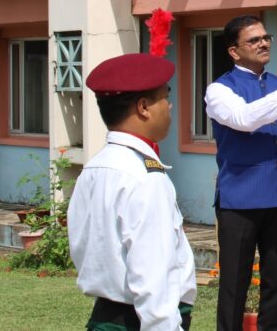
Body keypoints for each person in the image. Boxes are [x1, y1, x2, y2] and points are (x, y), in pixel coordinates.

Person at [205, 15, 277, 331]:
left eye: (265, 37)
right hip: (240, 199)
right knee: (234, 284)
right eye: (253, 40)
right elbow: (244, 118)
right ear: (234, 51)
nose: (263, 43)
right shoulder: (219, 89)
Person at [69, 52, 196, 330]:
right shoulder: (144, 177)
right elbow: (153, 275)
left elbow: (81, 247)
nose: (170, 106)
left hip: (106, 315)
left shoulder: (95, 167)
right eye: (165, 97)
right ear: (143, 107)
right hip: (139, 320)